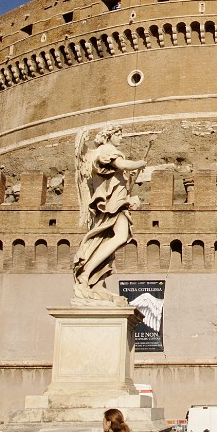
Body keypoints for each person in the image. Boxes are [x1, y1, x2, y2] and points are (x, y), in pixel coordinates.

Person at [73, 125, 148, 304]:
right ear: (109, 136)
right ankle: (86, 273)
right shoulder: (106, 150)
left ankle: (96, 283)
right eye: (118, 134)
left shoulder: (102, 153)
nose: (120, 138)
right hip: (111, 206)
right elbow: (121, 165)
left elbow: (115, 178)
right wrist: (139, 163)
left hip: (115, 204)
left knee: (107, 241)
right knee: (120, 236)